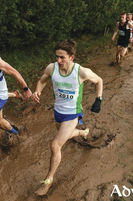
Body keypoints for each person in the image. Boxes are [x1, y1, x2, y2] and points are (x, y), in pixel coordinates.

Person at [31, 39, 103, 196]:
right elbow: (42, 80)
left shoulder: (81, 72)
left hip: (72, 114)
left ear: (72, 57)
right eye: (57, 56)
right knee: (65, 136)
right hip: (58, 112)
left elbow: (99, 80)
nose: (58, 60)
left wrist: (98, 99)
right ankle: (83, 133)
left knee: (55, 145)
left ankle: (48, 180)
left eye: (62, 57)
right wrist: (37, 91)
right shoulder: (52, 68)